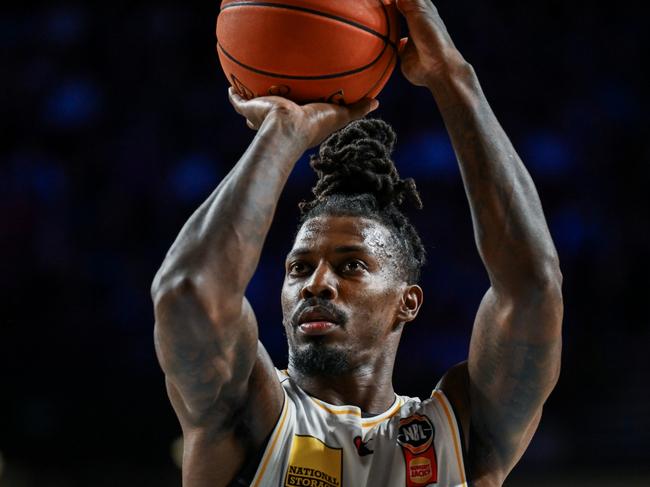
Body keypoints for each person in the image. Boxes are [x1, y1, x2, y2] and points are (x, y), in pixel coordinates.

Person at [151, 0, 563, 485]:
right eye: (299, 268)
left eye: (351, 267)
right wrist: (283, 131)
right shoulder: (248, 415)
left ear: (407, 302)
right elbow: (185, 292)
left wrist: (452, 76)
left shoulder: (462, 433)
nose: (316, 284)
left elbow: (534, 287)